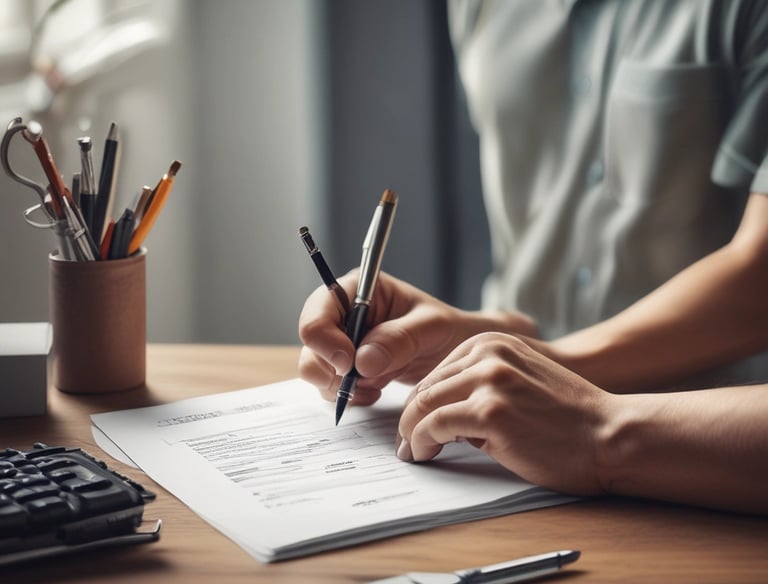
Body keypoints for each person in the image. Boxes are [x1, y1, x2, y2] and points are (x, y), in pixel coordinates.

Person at [298, 0, 768, 513]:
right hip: (501, 427)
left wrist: (547, 366)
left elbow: (760, 276)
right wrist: (483, 337)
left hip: (702, 443)